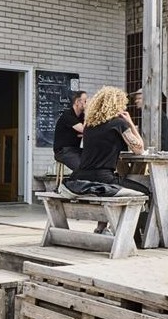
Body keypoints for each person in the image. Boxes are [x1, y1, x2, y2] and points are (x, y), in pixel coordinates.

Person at [70, 86, 149, 235]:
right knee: (145, 191)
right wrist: (130, 123)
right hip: (103, 179)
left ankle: (101, 227)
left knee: (114, 186)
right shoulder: (119, 123)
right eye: (122, 104)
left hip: (80, 178)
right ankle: (131, 233)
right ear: (116, 105)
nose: (124, 108)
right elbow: (139, 149)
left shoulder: (89, 125)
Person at [52, 91, 87, 173]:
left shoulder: (82, 117)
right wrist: (88, 111)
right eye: (85, 101)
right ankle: (72, 180)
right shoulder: (67, 115)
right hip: (62, 151)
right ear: (77, 102)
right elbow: (84, 129)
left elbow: (90, 130)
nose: (87, 104)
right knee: (81, 168)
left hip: (76, 150)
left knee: (94, 161)